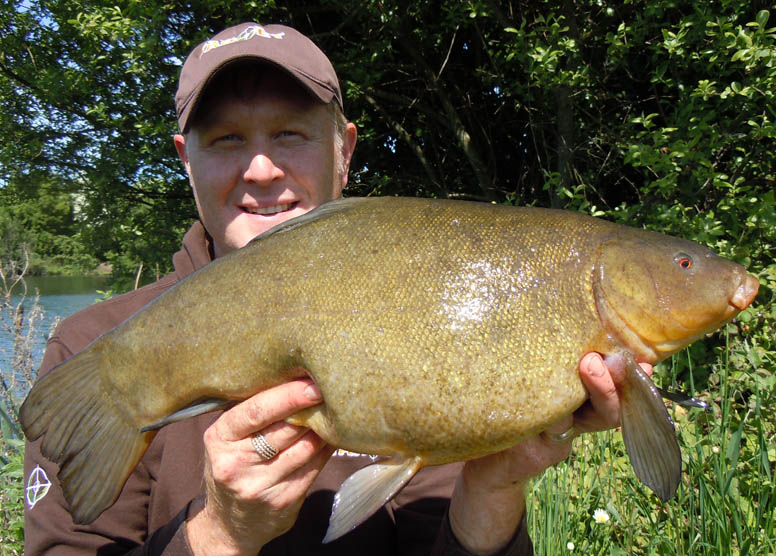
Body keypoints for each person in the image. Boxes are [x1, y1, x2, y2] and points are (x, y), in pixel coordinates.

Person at [23, 22, 651, 555]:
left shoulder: (419, 309)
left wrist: (492, 487)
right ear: (187, 161)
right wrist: (222, 533)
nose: (261, 169)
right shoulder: (96, 345)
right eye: (226, 140)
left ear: (343, 150)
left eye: (290, 134)